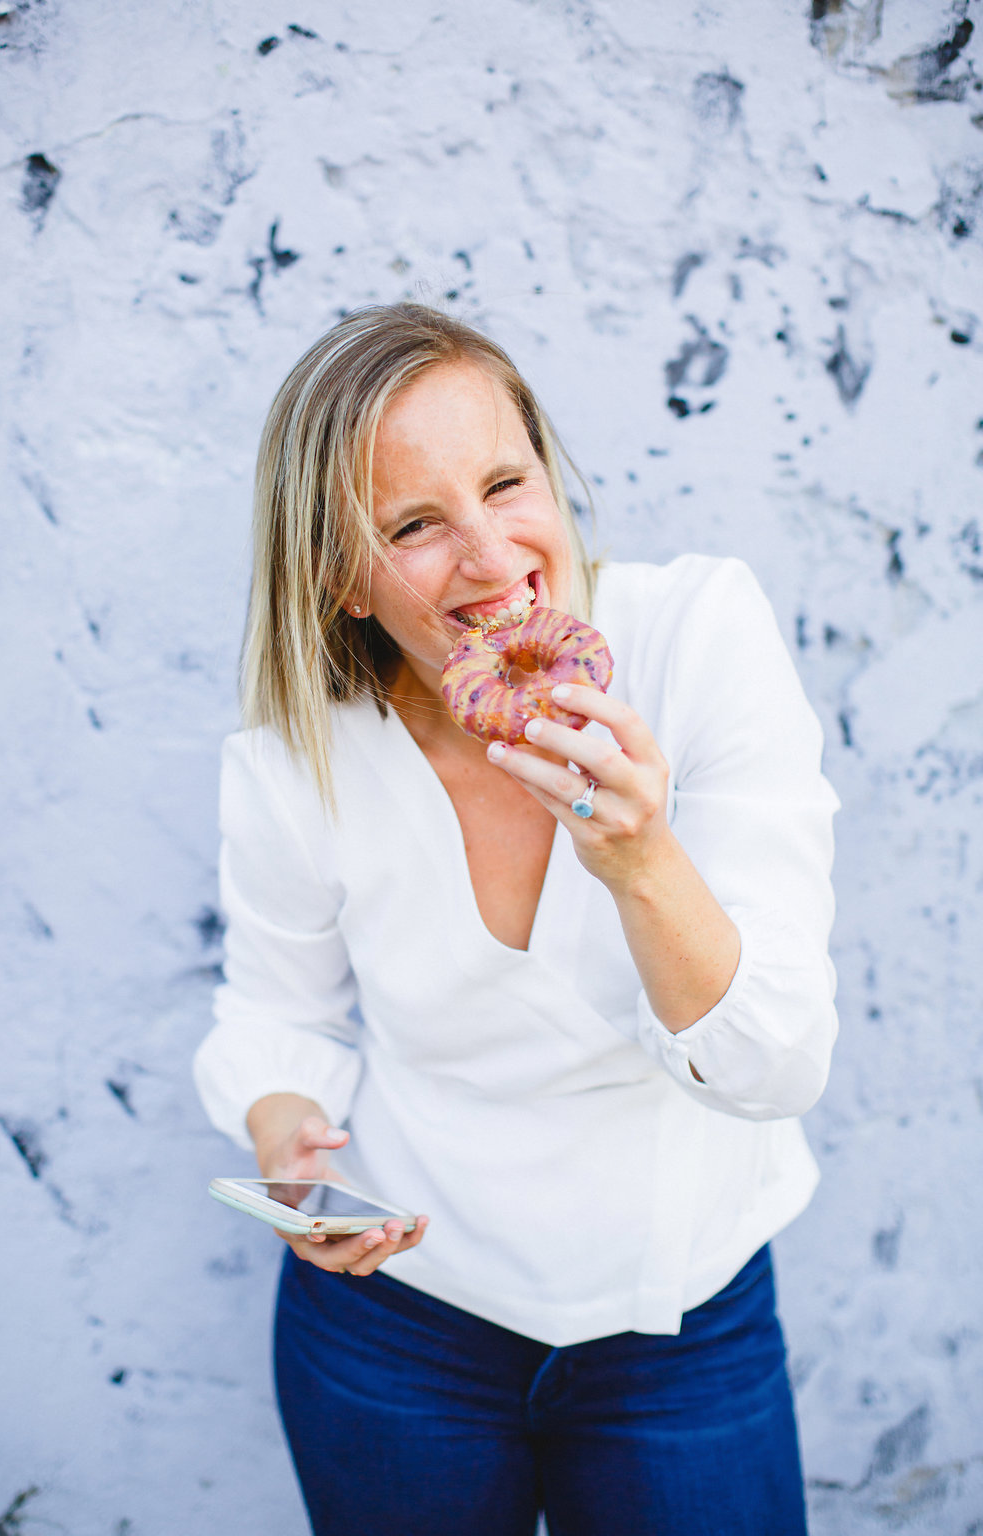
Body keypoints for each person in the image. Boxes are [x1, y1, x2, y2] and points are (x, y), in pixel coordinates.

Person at [194, 301, 839, 1536]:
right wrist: (286, 1141)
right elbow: (278, 1011)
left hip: (679, 1326)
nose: (493, 560)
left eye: (505, 483)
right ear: (337, 575)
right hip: (397, 1326)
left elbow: (773, 1070)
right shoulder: (294, 763)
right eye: (416, 525)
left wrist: (641, 856)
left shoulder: (695, 639)